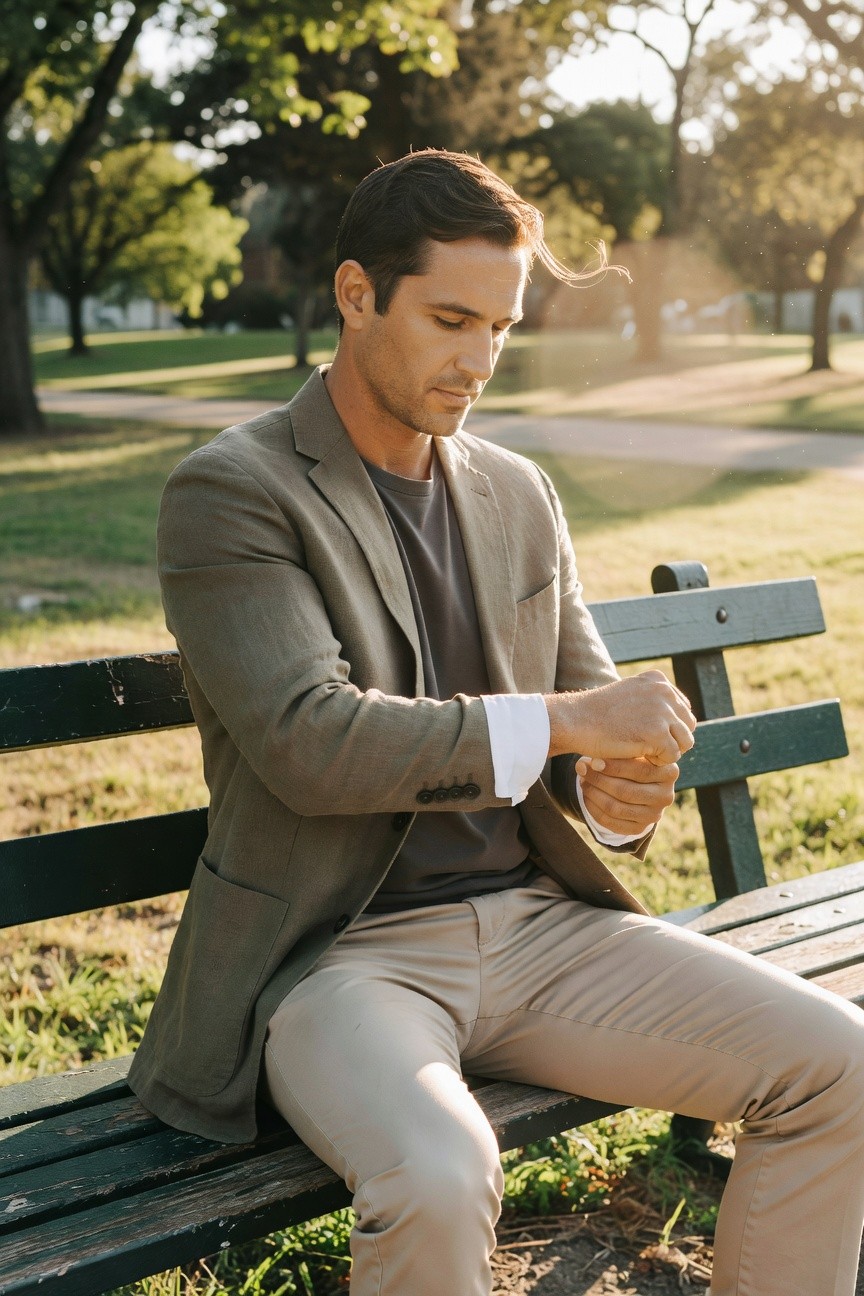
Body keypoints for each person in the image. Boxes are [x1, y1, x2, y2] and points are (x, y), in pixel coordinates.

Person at [129, 149, 864, 1296]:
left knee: (842, 1066)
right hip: (340, 960)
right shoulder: (236, 491)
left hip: (539, 928)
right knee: (435, 1168)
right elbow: (312, 744)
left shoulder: (518, 491)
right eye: (451, 319)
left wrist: (620, 795)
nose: (478, 362)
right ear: (357, 294)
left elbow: (587, 748)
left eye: (503, 330)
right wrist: (575, 721)